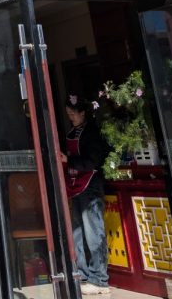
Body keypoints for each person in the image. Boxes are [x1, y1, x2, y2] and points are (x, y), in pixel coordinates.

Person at [62, 97, 109, 295]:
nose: (70, 116)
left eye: (73, 112)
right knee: (77, 232)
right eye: (69, 113)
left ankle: (100, 279)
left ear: (83, 112)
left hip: (90, 186)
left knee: (93, 232)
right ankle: (81, 273)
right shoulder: (73, 132)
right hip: (75, 185)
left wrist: (69, 160)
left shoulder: (92, 132)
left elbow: (93, 161)